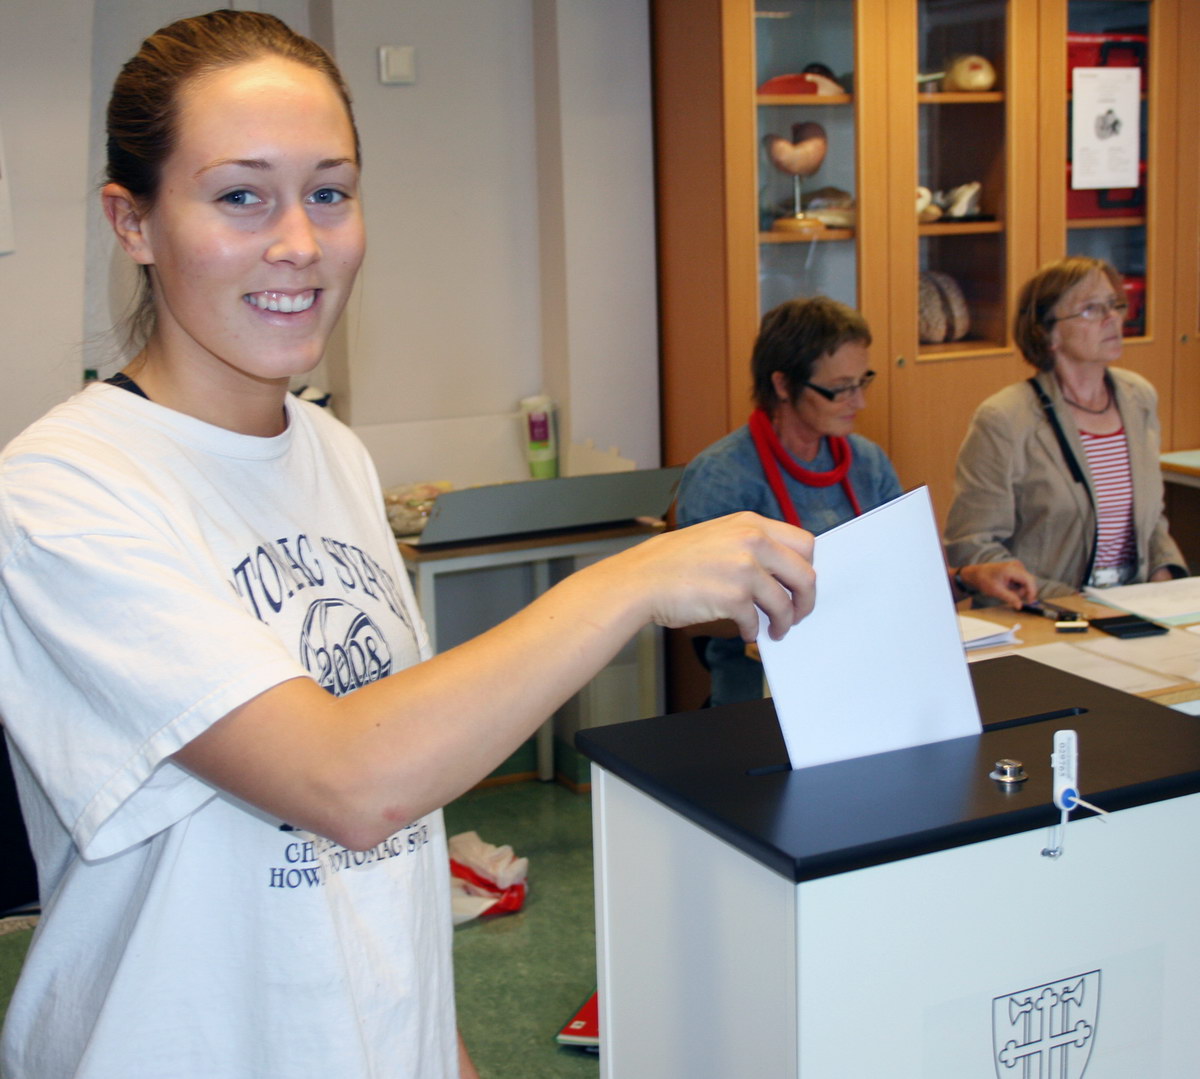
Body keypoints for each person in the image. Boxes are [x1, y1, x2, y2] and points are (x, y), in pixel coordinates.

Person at [0, 13, 817, 1079]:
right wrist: (628, 581)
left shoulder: (331, 453)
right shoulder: (64, 490)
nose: (300, 242)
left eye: (330, 192)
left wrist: (441, 1049)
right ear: (133, 220)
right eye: (241, 195)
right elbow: (345, 777)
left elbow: (393, 825)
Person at [677, 295, 1036, 707]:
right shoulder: (722, 475)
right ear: (782, 385)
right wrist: (785, 601)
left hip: (870, 677)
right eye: (841, 389)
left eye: (862, 382)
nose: (860, 402)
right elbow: (695, 617)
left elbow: (906, 580)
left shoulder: (867, 461)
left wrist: (969, 578)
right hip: (766, 697)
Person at [943, 256, 1187, 598]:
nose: (1112, 318)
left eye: (1114, 305)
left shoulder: (1139, 398)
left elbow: (1151, 520)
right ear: (1048, 333)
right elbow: (972, 545)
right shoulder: (1004, 418)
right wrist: (1072, 604)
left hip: (1134, 604)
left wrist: (1166, 582)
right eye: (1091, 309)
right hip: (1049, 608)